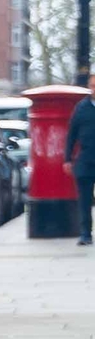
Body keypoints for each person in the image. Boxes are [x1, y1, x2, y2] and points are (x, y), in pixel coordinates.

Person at [68, 71, 95, 246]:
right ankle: (85, 233)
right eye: (92, 86)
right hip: (86, 160)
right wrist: (67, 158)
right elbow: (72, 135)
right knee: (84, 200)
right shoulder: (81, 108)